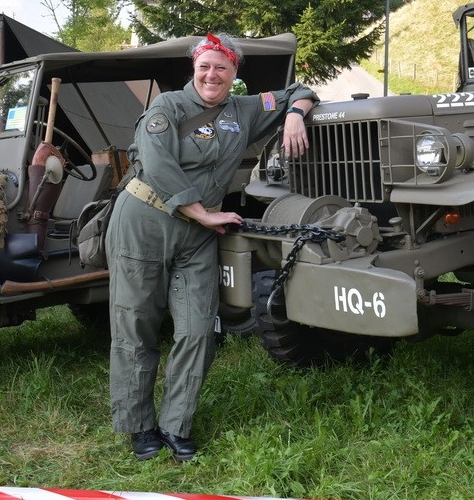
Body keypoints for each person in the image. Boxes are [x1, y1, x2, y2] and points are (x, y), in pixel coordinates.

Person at [106, 33, 317, 462]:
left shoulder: (245, 110)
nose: (212, 75)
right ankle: (139, 425)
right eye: (204, 66)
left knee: (198, 328)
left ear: (234, 72)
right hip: (145, 221)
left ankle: (176, 424)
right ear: (194, 69)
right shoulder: (168, 107)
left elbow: (299, 90)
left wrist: (295, 114)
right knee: (136, 324)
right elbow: (157, 162)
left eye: (222, 67)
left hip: (199, 235)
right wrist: (200, 211)